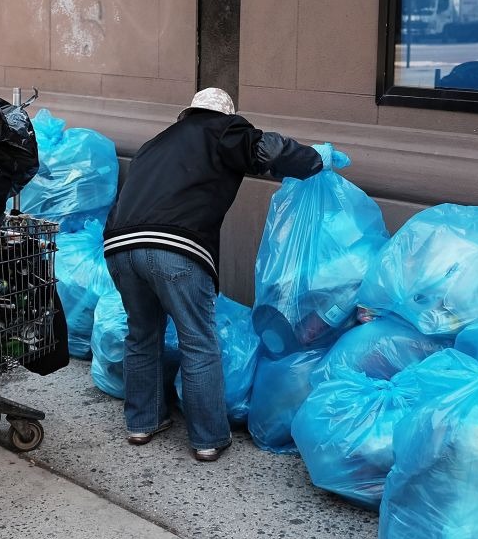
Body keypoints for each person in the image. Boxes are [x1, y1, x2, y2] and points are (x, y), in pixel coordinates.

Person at [103, 87, 326, 462]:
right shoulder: (223, 129)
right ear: (225, 114)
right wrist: (315, 160)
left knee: (142, 334)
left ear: (188, 111)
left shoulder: (154, 144)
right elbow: (268, 149)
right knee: (198, 340)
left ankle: (141, 423)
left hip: (119, 247)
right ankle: (207, 438)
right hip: (175, 246)